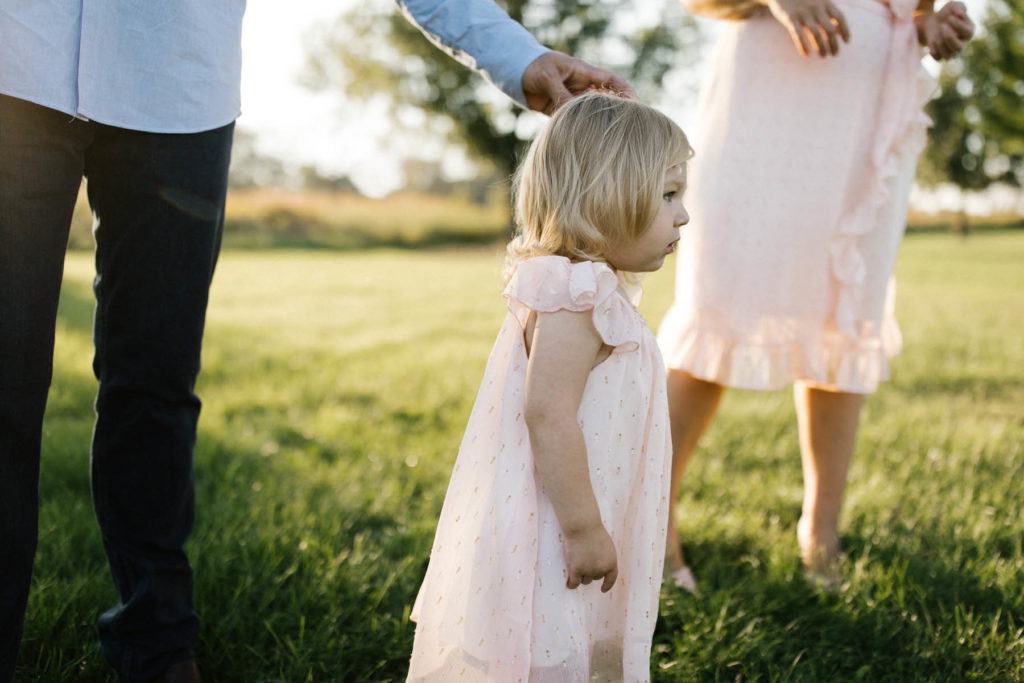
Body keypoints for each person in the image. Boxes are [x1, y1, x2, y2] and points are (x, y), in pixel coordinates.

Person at [0, 2, 634, 681]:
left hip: (177, 90)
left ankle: (156, 645)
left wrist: (517, 55)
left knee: (153, 384)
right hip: (17, 62)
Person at [656, 0, 974, 592]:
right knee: (717, 306)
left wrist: (928, 24)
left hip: (865, 121)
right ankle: (655, 523)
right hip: (764, 114)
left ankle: (820, 533)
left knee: (842, 316)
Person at [406, 92, 692, 682]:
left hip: (582, 505)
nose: (683, 215)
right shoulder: (574, 295)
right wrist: (585, 528)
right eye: (668, 195)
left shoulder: (592, 290)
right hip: (555, 523)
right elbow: (548, 413)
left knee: (577, 633)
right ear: (608, 197)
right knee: (547, 638)